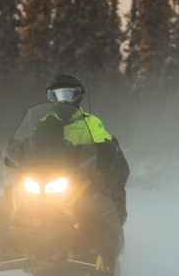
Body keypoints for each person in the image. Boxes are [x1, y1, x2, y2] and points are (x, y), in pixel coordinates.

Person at [29, 73, 130, 223]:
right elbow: (31, 144)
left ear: (78, 96)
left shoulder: (91, 122)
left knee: (97, 198)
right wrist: (20, 154)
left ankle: (102, 231)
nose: (61, 100)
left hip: (82, 175)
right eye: (55, 96)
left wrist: (105, 151)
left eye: (67, 95)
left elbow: (105, 144)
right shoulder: (45, 122)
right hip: (48, 174)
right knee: (17, 196)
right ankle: (12, 233)